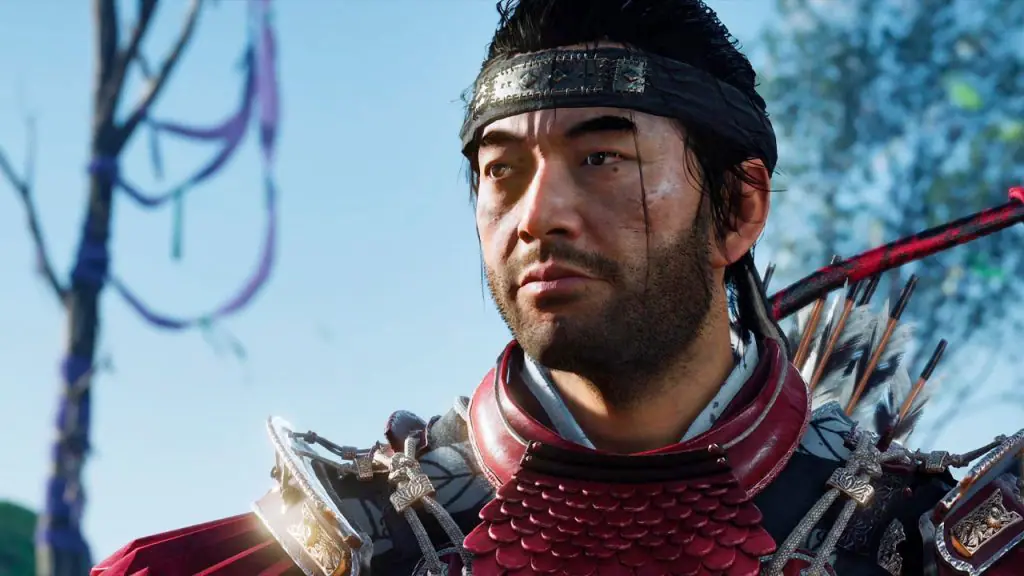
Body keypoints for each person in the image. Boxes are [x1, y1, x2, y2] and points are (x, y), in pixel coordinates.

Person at [93, 1, 1024, 575]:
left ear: (739, 209)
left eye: (603, 158)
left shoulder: (936, 547)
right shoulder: (297, 561)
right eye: (501, 171)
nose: (537, 214)